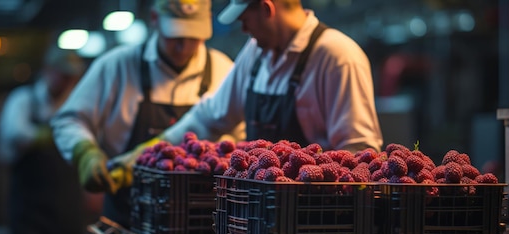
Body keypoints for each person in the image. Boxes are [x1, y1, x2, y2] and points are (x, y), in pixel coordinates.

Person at [50, 0, 236, 234]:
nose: (183, 46)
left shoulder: (223, 70)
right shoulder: (118, 65)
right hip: (128, 216)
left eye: (193, 37)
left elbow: (241, 140)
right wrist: (84, 152)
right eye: (175, 36)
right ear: (154, 19)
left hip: (203, 229)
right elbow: (69, 119)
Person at [112, 0, 383, 177]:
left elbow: (359, 153)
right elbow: (209, 116)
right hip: (257, 211)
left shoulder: (336, 55)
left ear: (267, 9)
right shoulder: (256, 53)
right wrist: (148, 150)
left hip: (314, 217)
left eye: (245, 19)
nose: (242, 29)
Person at [0, 46, 87, 234]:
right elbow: (15, 134)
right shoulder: (24, 101)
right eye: (63, 75)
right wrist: (58, 135)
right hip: (29, 209)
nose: (69, 82)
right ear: (48, 71)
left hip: (68, 210)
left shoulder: (76, 105)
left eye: (73, 77)